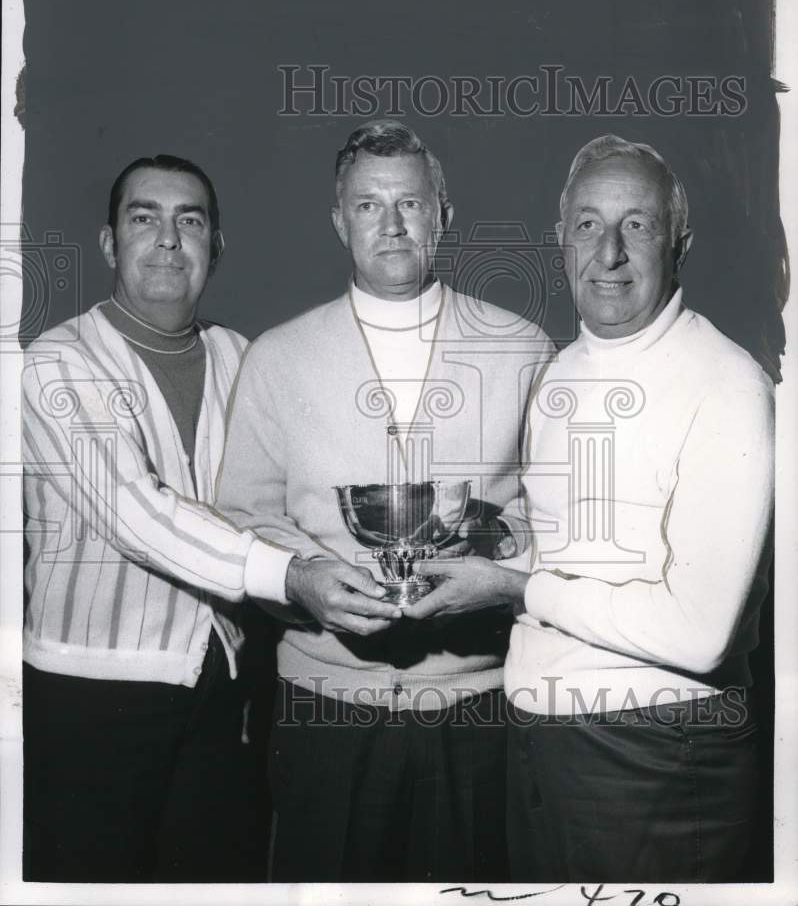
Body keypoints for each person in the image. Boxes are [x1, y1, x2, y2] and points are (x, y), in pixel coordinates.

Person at [409, 134, 775, 882]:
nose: (609, 251)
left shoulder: (728, 383)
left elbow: (700, 634)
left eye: (637, 224)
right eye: (588, 224)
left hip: (657, 754)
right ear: (561, 240)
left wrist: (516, 587)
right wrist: (492, 535)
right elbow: (572, 546)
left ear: (680, 245)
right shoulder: (561, 371)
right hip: (540, 742)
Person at [215, 120, 553, 882]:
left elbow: (556, 518)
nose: (392, 224)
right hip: (324, 707)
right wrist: (304, 581)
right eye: (369, 205)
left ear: (444, 215)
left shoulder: (523, 349)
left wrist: (493, 564)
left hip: (475, 706)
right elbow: (242, 517)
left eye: (411, 203)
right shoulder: (278, 358)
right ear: (340, 221)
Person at [22, 154, 303, 882]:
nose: (169, 239)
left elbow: (284, 503)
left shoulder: (243, 358)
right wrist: (294, 575)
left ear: (216, 245)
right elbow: (136, 514)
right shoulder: (55, 363)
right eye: (144, 218)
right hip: (90, 694)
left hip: (227, 686)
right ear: (109, 243)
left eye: (191, 222)